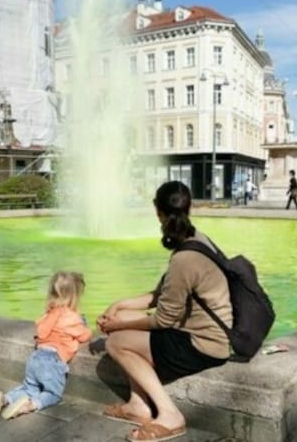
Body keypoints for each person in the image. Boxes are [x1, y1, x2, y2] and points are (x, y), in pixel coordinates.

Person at [97, 181, 231, 442]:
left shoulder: (184, 258)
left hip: (203, 344)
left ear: (157, 212)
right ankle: (138, 406)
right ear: (189, 208)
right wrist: (120, 307)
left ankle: (170, 415)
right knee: (123, 321)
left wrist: (116, 326)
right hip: (205, 333)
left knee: (116, 342)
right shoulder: (196, 240)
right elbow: (161, 295)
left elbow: (164, 318)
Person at [0, 271, 92, 420]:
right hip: (53, 362)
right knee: (53, 394)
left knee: (29, 389)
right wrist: (86, 327)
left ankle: (5, 399)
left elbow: (41, 332)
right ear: (74, 297)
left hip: (35, 358)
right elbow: (85, 335)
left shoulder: (48, 314)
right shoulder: (71, 317)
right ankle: (29, 406)